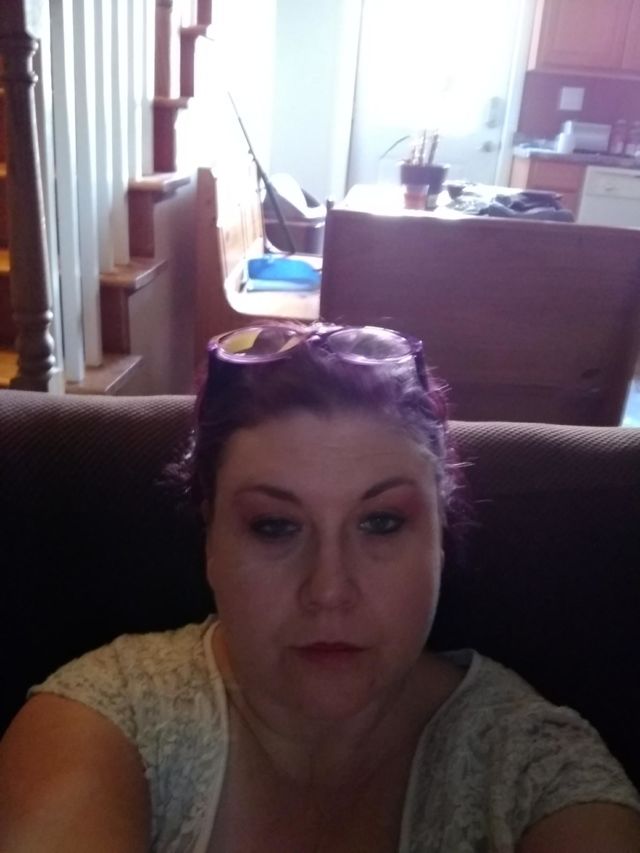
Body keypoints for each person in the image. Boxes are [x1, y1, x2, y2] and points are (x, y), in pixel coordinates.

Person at [0, 321, 639, 853]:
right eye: (274, 526)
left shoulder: (537, 773)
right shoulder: (103, 723)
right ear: (210, 542)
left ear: (440, 537)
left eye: (381, 522)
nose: (329, 591)